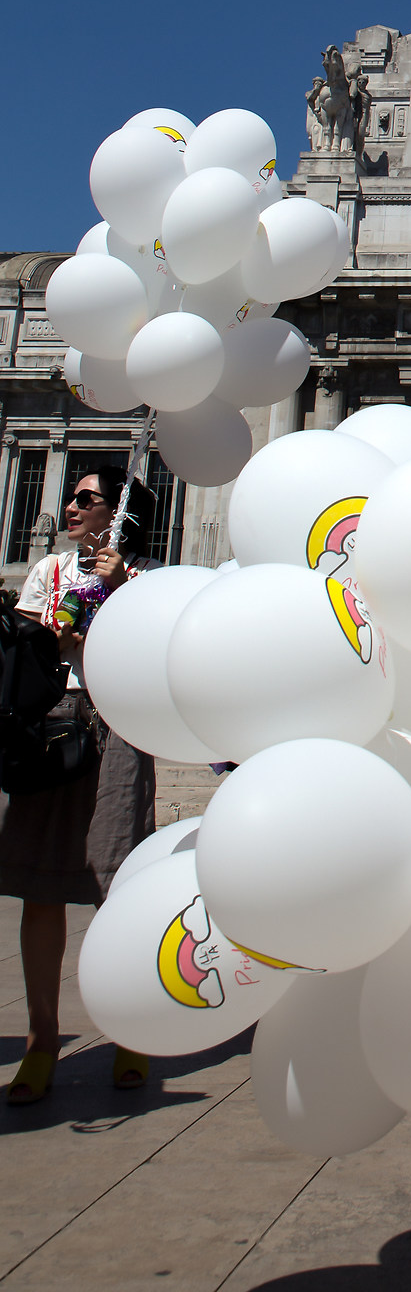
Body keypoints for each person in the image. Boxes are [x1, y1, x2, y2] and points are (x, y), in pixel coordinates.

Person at [1, 464, 159, 1104]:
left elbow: (156, 648)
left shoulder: (145, 581)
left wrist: (117, 590)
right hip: (50, 726)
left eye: (86, 498)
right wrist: (46, 635)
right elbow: (20, 650)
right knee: (39, 883)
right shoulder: (49, 573)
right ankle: (43, 1038)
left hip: (116, 725)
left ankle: (133, 1028)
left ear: (118, 513)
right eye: (70, 496)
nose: (71, 505)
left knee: (115, 881)